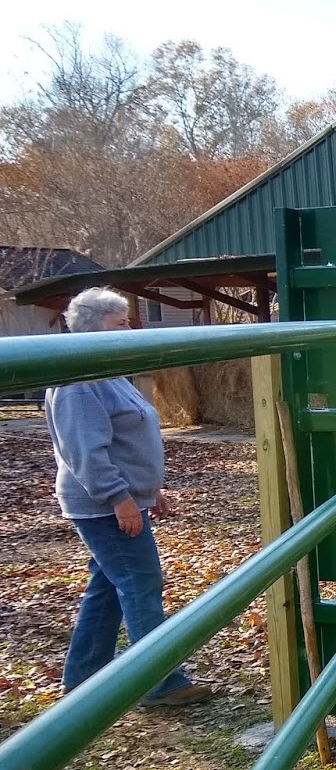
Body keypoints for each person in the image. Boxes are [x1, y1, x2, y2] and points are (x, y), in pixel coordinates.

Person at [45, 288, 211, 705]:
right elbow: (85, 450)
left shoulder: (108, 370)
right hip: (100, 505)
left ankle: (84, 677)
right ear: (95, 325)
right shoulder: (80, 380)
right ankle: (158, 682)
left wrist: (147, 491)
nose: (129, 329)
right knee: (140, 581)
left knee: (107, 586)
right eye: (120, 323)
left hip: (123, 499)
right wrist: (119, 498)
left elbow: (127, 437)